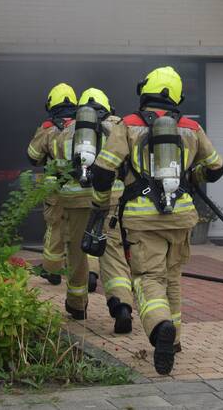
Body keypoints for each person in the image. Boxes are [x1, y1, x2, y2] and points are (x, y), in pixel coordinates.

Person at [87, 66, 223, 374]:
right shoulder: (191, 127)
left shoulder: (128, 125)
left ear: (144, 91)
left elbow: (103, 171)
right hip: (181, 217)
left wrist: (100, 205)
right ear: (177, 96)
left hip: (142, 219)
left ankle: (160, 326)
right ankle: (174, 340)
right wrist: (193, 177)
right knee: (172, 277)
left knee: (149, 278)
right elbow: (216, 169)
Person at [77, 87, 134, 334]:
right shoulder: (121, 126)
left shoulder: (75, 129)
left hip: (84, 197)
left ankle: (86, 286)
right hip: (118, 197)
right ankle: (122, 306)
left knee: (83, 244)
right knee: (116, 252)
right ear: (108, 107)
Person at [26, 83, 75, 287]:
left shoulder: (48, 128)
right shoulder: (85, 126)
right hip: (82, 188)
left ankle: (52, 271)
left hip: (56, 189)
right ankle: (91, 273)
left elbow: (33, 156)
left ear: (51, 104)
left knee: (55, 228)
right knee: (82, 229)